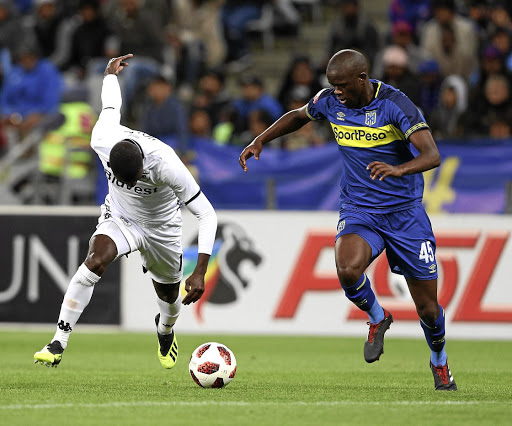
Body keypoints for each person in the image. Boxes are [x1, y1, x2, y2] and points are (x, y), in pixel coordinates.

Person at [238, 49, 457, 391]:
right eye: (332, 85)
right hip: (360, 209)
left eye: (342, 85)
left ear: (361, 79)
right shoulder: (330, 101)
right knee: (347, 269)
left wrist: (398, 169)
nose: (336, 91)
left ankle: (439, 361)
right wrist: (260, 139)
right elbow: (299, 115)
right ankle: (378, 317)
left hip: (405, 214)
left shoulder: (395, 105)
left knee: (428, 309)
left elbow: (432, 155)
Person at [34, 54, 217, 369]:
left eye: (132, 180)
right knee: (94, 260)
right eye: (120, 179)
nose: (127, 183)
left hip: (162, 228)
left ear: (144, 166)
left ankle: (165, 329)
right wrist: (109, 75)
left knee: (171, 301)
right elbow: (110, 107)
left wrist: (199, 270)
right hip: (121, 217)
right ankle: (57, 342)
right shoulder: (102, 139)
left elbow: (207, 214)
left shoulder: (168, 164)